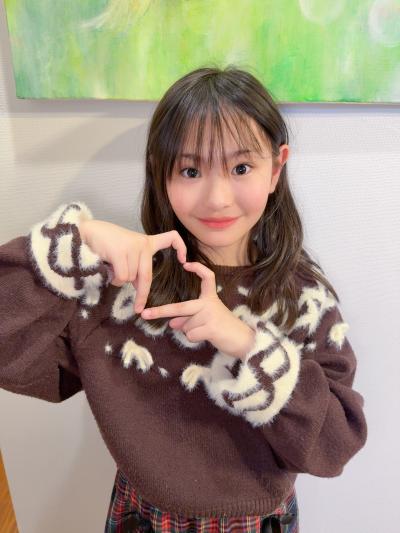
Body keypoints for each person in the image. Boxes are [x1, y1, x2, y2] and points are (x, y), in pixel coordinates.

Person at [0, 66, 368, 533]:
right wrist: (79, 243)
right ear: (162, 173)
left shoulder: (304, 301)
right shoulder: (121, 287)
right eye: (191, 170)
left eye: (241, 168)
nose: (217, 198)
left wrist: (244, 342)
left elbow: (335, 445)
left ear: (276, 168)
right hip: (142, 519)